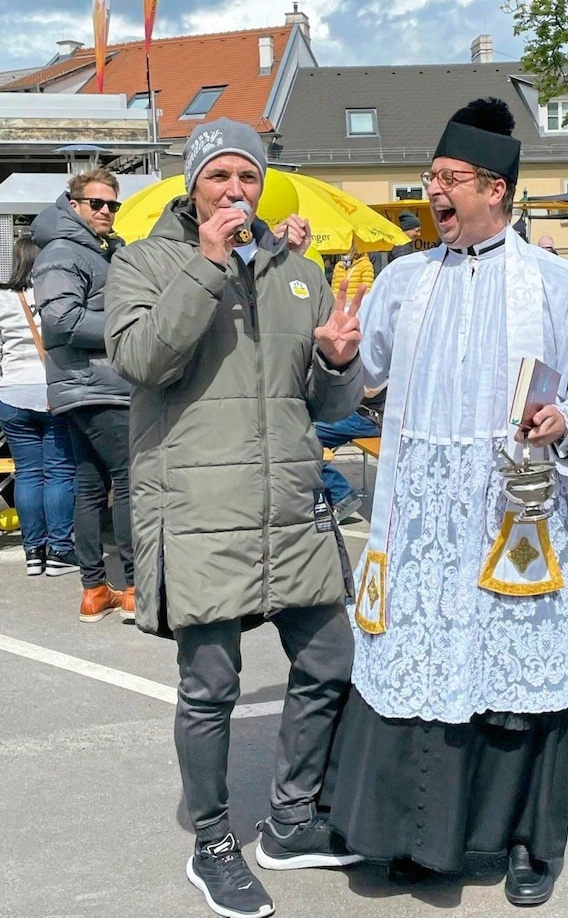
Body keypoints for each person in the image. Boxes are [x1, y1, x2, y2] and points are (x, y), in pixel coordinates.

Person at [327, 97, 568, 907]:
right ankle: (413, 839)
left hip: (511, 520)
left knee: (511, 677)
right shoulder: (403, 280)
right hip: (422, 522)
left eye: (449, 179)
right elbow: (360, 379)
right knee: (415, 675)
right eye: (431, 177)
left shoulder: (554, 285)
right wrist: (336, 357)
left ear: (494, 189)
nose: (433, 192)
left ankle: (527, 843)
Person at [104, 117, 365, 918]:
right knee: (211, 684)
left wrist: (337, 360)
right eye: (218, 177)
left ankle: (290, 820)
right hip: (199, 508)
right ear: (193, 187)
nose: (234, 192)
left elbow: (325, 406)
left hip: (288, 506)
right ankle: (212, 841)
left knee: (329, 660)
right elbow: (141, 359)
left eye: (246, 178)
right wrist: (209, 265)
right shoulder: (144, 261)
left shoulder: (297, 270)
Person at [31, 169, 134, 622]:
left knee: (91, 485)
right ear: (74, 206)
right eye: (98, 204)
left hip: (95, 383)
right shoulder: (61, 251)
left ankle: (95, 590)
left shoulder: (100, 250)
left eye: (113, 204)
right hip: (95, 385)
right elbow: (61, 322)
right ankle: (133, 586)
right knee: (134, 477)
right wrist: (130, 329)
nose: (107, 211)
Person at [0, 236, 76, 577]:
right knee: (59, 470)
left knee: (28, 473)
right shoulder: (55, 294)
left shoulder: (2, 299)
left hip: (12, 393)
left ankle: (33, 552)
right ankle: (59, 549)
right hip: (52, 389)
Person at [315, 385, 386, 522]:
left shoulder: (380, 364)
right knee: (297, 428)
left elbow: (371, 390)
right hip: (350, 412)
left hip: (367, 418)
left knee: (302, 435)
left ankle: (341, 494)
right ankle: (336, 495)